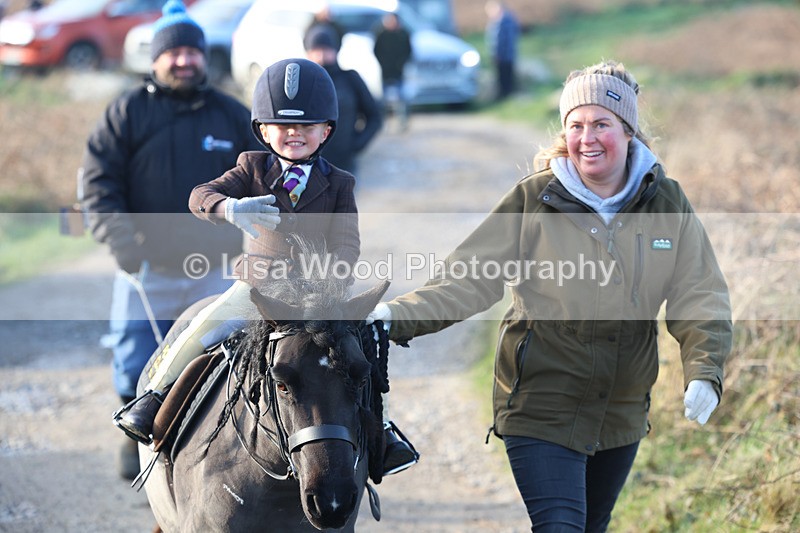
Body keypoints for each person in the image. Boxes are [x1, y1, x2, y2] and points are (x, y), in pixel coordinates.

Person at [368, 60, 732, 530]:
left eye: (602, 123)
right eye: (576, 125)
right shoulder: (536, 199)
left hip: (619, 412)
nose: (587, 138)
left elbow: (699, 292)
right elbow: (467, 279)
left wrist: (704, 369)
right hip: (540, 405)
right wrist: (394, 316)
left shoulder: (666, 203)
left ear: (628, 131)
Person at [114, 57, 419, 476]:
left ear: (326, 131)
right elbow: (199, 196)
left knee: (362, 350)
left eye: (307, 126)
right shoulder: (250, 167)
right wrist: (228, 207)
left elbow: (348, 244)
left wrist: (327, 285)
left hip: (320, 295)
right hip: (257, 290)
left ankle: (382, 433)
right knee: (204, 326)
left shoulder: (340, 184)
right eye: (283, 126)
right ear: (263, 130)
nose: (294, 134)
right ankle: (153, 398)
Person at [80, 0, 260, 480]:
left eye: (191, 51)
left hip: (216, 268)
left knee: (217, 357)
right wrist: (122, 242)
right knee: (135, 354)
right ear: (156, 58)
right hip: (146, 267)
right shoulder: (128, 111)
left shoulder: (231, 115)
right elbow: (98, 182)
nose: (183, 60)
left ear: (204, 57)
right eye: (173, 52)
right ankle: (133, 430)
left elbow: (264, 178)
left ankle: (216, 447)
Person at [304, 23, 382, 174]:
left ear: (335, 50)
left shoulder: (350, 79)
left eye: (325, 50)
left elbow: (375, 116)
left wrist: (356, 144)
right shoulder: (303, 82)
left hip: (344, 164)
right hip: (309, 164)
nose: (321, 56)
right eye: (316, 50)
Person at [373, 12, 412, 132]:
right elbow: (376, 51)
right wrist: (383, 63)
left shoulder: (403, 34)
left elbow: (408, 51)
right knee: (384, 101)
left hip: (398, 72)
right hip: (385, 71)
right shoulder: (381, 34)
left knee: (402, 98)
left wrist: (401, 64)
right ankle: (384, 123)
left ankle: (403, 122)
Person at [484, 0, 519, 100]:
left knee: (506, 77)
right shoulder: (500, 21)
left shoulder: (504, 22)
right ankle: (505, 96)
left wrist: (498, 54)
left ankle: (506, 96)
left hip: (504, 55)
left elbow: (501, 41)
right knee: (502, 77)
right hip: (503, 55)